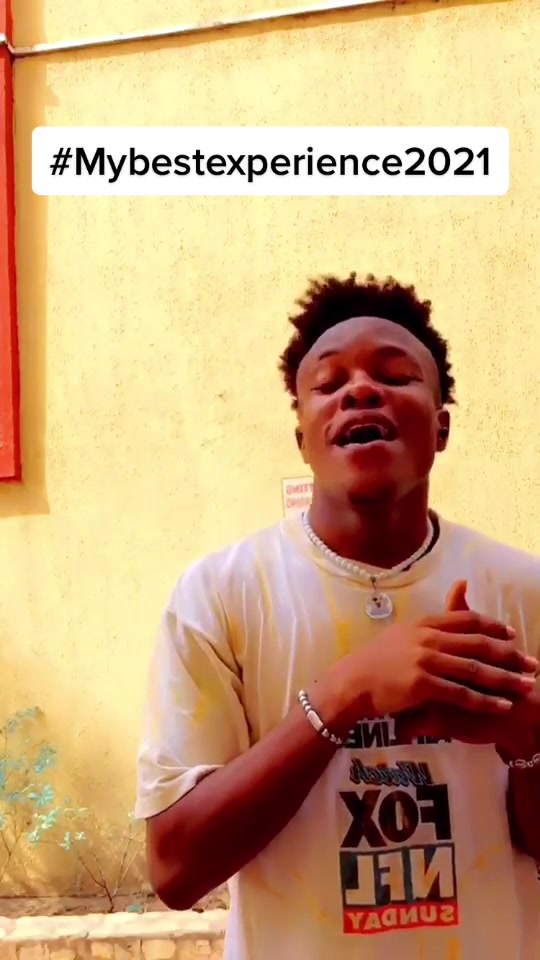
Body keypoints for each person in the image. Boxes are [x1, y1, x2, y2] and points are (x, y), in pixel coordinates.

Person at [135, 272, 540, 960]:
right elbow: (176, 869)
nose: (360, 390)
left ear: (441, 425)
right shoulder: (220, 594)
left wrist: (529, 739)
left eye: (396, 375)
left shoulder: (521, 590)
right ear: (303, 437)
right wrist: (347, 693)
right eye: (329, 383)